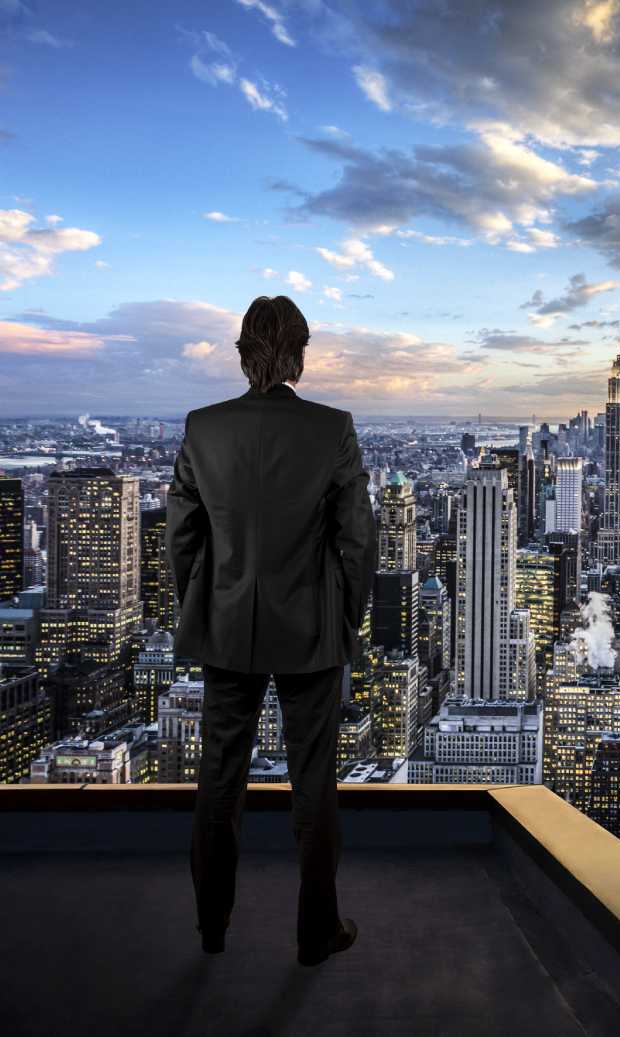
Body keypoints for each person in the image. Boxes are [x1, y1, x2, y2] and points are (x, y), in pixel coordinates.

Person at [168, 295, 376, 966]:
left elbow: (181, 535)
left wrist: (202, 604)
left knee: (218, 776)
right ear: (299, 355)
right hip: (311, 628)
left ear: (242, 353)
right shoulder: (331, 428)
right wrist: (345, 619)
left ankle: (211, 926)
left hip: (226, 624)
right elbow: (358, 540)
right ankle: (316, 932)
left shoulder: (204, 427)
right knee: (313, 782)